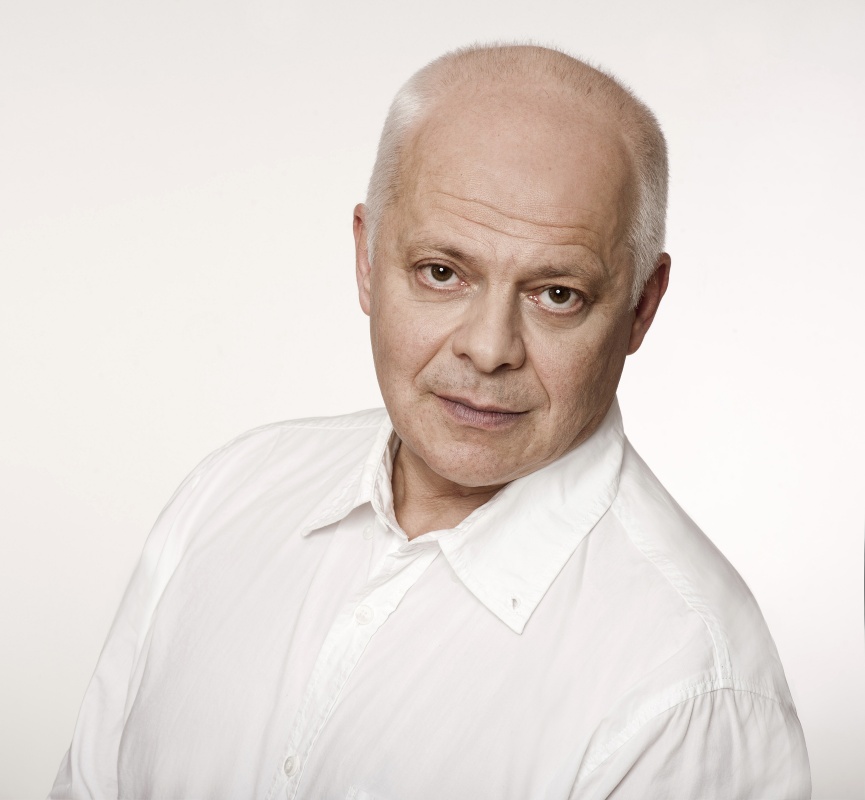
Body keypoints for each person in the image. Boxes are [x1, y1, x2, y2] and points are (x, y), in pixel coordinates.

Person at [50, 44, 810, 799]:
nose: (488, 348)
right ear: (366, 259)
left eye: (557, 294)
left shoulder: (688, 683)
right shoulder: (228, 495)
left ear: (641, 306)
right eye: (442, 273)